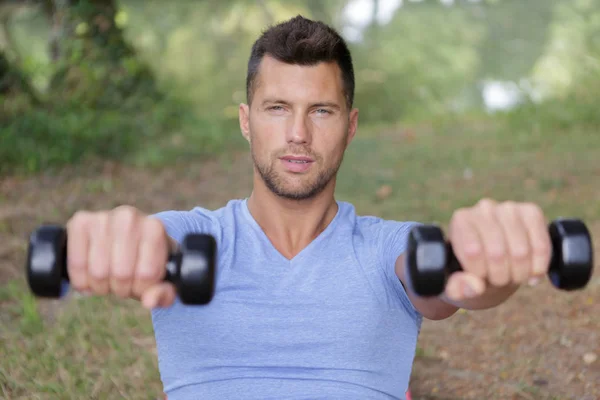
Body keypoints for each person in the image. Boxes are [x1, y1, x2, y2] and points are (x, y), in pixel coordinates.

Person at [64, 15, 553, 400]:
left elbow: (447, 277)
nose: (298, 134)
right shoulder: (193, 238)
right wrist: (120, 243)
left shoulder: (389, 247)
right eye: (277, 108)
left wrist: (491, 264)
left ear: (351, 124)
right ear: (246, 121)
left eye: (321, 110)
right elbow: (150, 244)